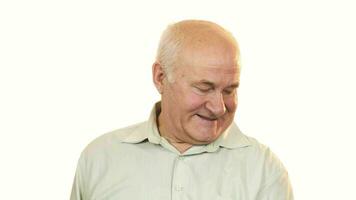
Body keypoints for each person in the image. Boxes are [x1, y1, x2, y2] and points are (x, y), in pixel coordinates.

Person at [70, 19, 293, 200]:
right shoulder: (99, 158)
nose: (219, 107)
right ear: (160, 78)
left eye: (229, 90)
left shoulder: (264, 171)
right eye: (204, 88)